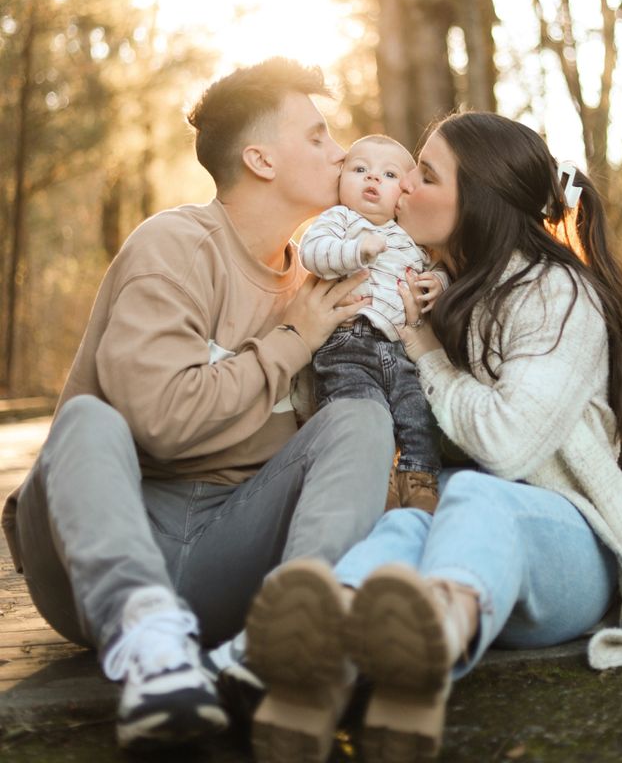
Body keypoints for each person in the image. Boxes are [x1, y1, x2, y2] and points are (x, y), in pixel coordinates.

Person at [241, 111, 622, 763]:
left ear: (473, 199)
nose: (404, 187)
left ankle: (430, 645)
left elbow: (505, 445)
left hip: (568, 555)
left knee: (478, 495)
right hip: (460, 532)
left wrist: (425, 350)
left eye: (424, 174)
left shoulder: (556, 294)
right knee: (399, 527)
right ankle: (313, 668)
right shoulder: (434, 281)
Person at [1, 58, 396, 751]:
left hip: (231, 546)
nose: (341, 153)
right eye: (318, 136)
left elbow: (337, 450)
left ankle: (286, 635)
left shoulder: (321, 277)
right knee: (89, 419)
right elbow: (163, 423)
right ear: (260, 158)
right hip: (101, 557)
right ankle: (152, 651)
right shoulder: (175, 246)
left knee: (361, 415)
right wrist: (292, 341)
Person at [300, 135, 448, 513]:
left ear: (404, 191)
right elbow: (312, 253)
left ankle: (419, 480)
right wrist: (356, 250)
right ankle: (373, 477)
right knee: (361, 410)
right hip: (348, 344)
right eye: (360, 169)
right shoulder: (340, 220)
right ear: (342, 179)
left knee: (417, 412)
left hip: (401, 349)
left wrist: (439, 282)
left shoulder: (410, 235)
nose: (372, 179)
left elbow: (437, 268)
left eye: (388, 174)